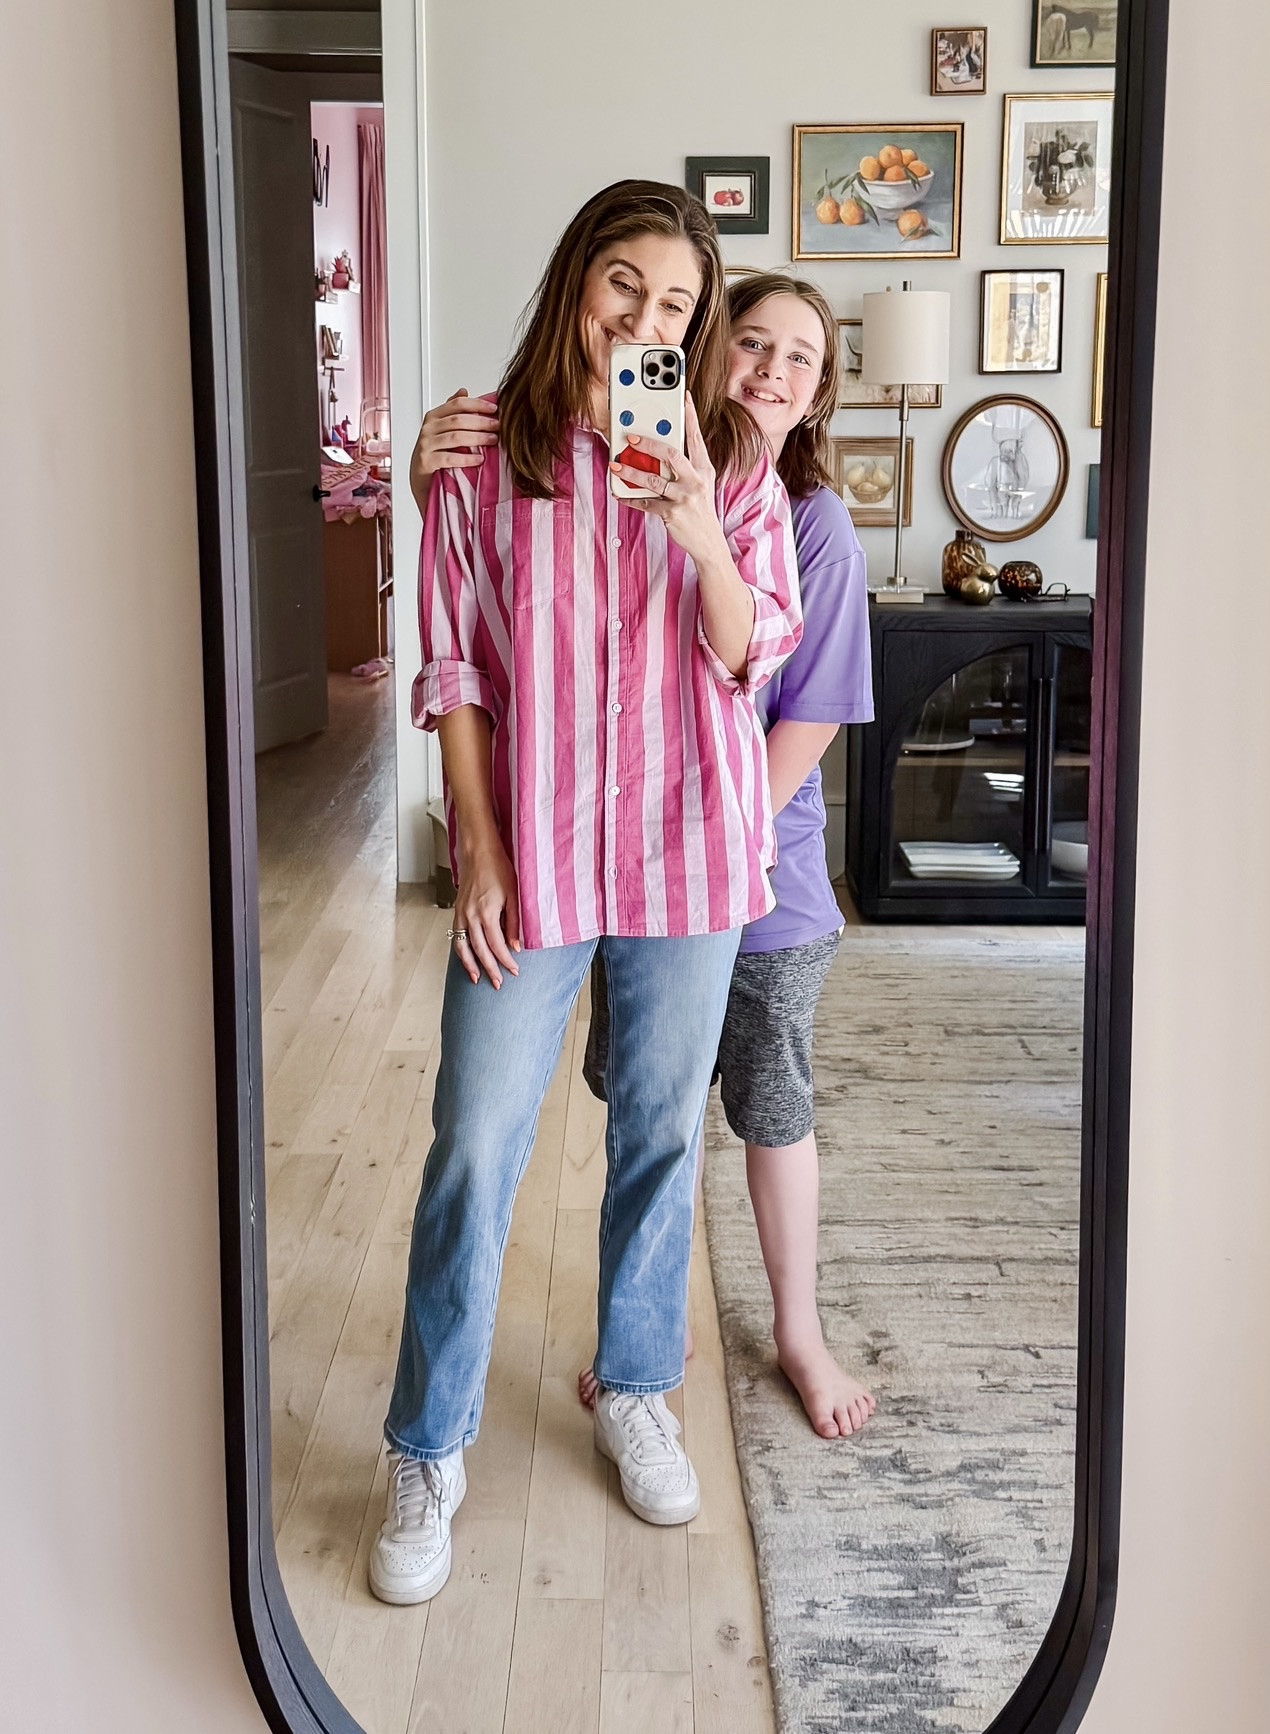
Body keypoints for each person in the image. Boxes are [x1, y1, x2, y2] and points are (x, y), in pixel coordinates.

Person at [371, 184, 801, 1608]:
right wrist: (476, 845)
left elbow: (757, 665)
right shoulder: (479, 458)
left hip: (691, 852)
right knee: (475, 1141)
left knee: (663, 1137)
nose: (645, 320)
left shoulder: (732, 459)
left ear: (702, 325)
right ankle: (428, 1444)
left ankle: (634, 1386)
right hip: (535, 858)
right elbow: (455, 673)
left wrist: (700, 534)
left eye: (677, 305)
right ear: (575, 282)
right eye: (624, 286)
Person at [414, 272, 876, 1442]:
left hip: (741, 864)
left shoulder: (776, 506)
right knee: (570, 1116)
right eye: (749, 345)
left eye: (800, 361)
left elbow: (775, 687)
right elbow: (472, 648)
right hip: (578, 858)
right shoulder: (525, 459)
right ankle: (564, 1379)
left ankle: (738, 1349)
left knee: (742, 1109)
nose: (768, 371)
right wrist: (436, 494)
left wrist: (704, 535)